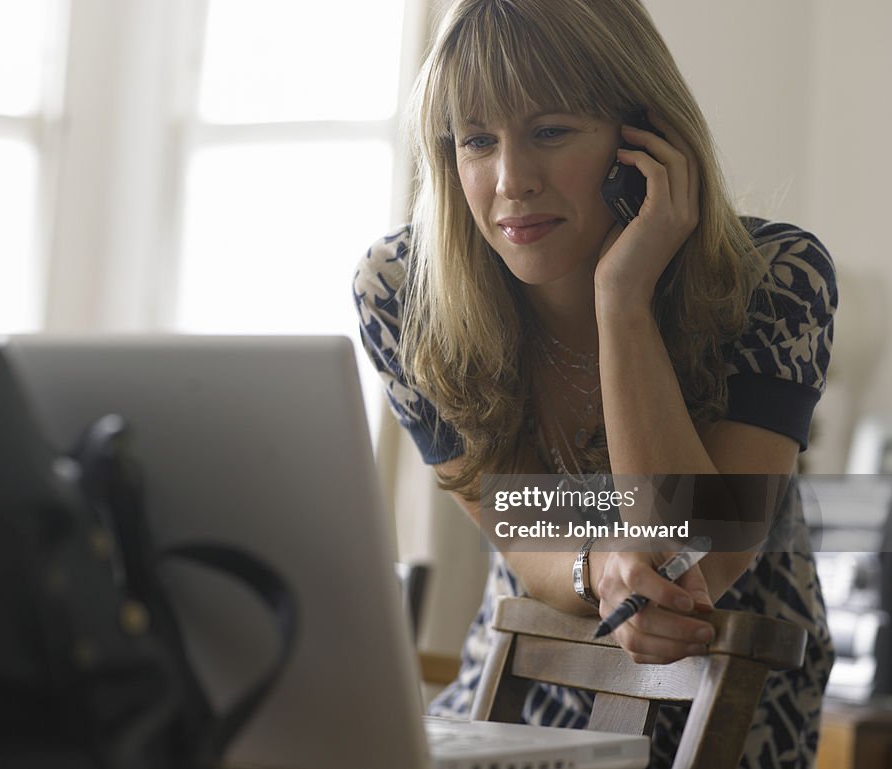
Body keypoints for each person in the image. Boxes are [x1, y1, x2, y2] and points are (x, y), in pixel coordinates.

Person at [353, 0, 836, 767]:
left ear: (643, 138)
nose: (511, 181)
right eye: (477, 140)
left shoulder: (776, 279)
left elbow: (687, 559)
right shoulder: (403, 294)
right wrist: (596, 567)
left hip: (729, 695)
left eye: (549, 131)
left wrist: (623, 297)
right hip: (525, 676)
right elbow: (519, 524)